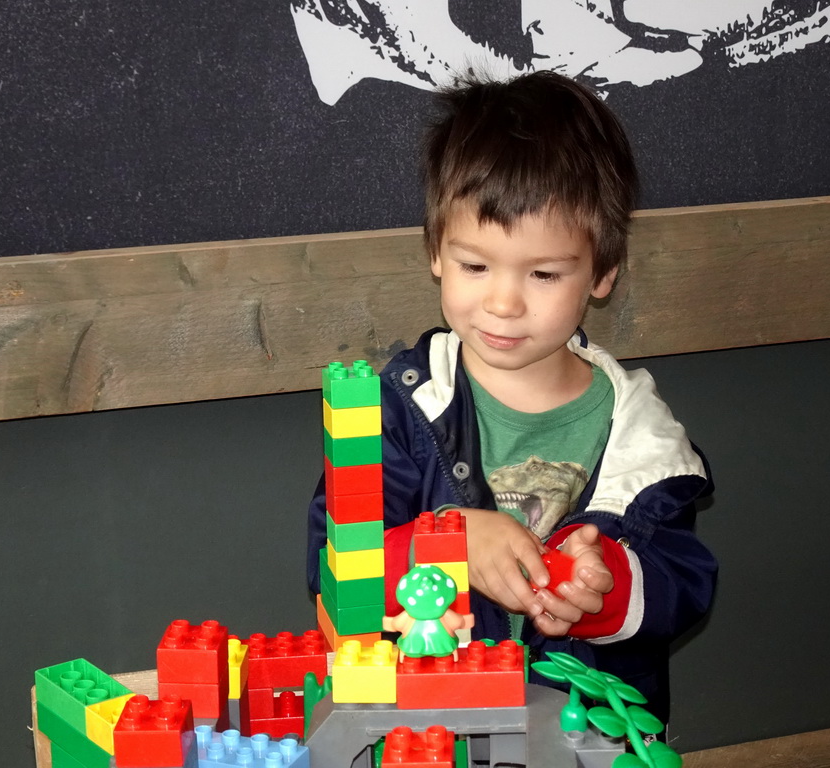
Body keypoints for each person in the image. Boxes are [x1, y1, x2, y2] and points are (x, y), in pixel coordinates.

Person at [307, 70, 716, 723]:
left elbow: (684, 582)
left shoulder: (643, 440)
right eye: (476, 265)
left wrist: (608, 588)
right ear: (436, 252)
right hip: (435, 726)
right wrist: (448, 542)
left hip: (586, 731)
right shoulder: (400, 409)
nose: (503, 302)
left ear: (603, 272)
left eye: (544, 273)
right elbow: (335, 565)